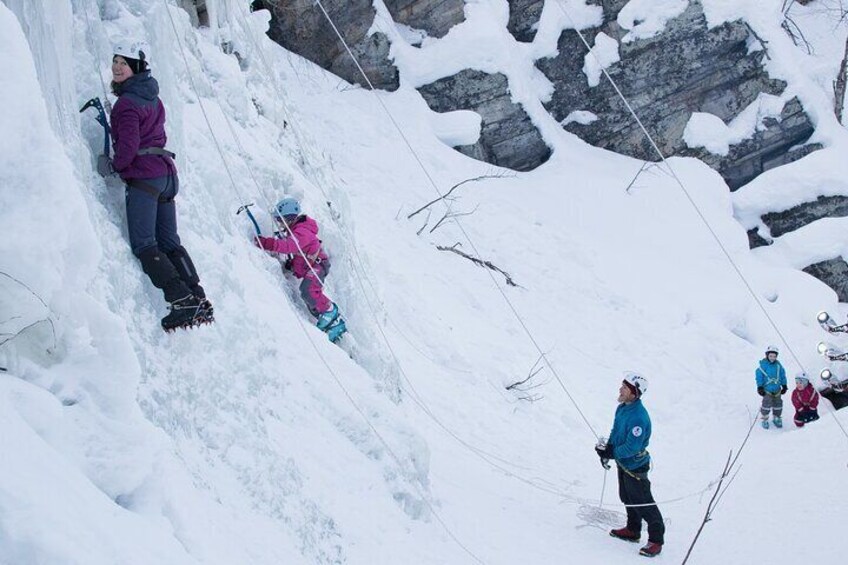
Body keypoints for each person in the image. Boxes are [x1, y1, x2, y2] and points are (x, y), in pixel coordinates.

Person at [99, 41, 213, 331]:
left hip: (145, 177)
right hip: (165, 176)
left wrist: (114, 166)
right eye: (114, 61)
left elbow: (128, 147)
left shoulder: (126, 104)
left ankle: (181, 299)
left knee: (145, 244)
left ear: (136, 67)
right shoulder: (152, 97)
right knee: (170, 243)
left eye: (123, 63)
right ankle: (197, 296)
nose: (116, 67)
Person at [255, 198, 346, 342]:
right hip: (312, 264)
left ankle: (329, 312)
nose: (279, 224)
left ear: (289, 218)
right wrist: (292, 265)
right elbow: (300, 254)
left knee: (308, 289)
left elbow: (290, 246)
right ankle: (325, 319)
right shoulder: (297, 230)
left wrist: (266, 243)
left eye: (280, 220)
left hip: (318, 265)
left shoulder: (302, 231)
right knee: (307, 294)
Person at [595, 372, 664, 558]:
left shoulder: (639, 418)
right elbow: (616, 431)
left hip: (635, 466)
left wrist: (613, 453)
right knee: (626, 496)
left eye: (625, 387)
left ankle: (656, 539)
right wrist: (607, 449)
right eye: (622, 385)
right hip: (622, 463)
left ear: (635, 393)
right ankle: (633, 530)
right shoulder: (622, 408)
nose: (620, 389)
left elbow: (632, 447)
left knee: (643, 502)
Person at [756, 345, 787, 429]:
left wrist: (784, 385)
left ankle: (777, 417)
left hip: (777, 389)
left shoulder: (778, 365)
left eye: (774, 356)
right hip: (767, 389)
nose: (772, 358)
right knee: (766, 403)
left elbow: (782, 375)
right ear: (767, 355)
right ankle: (765, 418)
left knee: (778, 403)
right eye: (770, 356)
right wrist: (760, 387)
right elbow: (759, 376)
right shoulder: (763, 365)